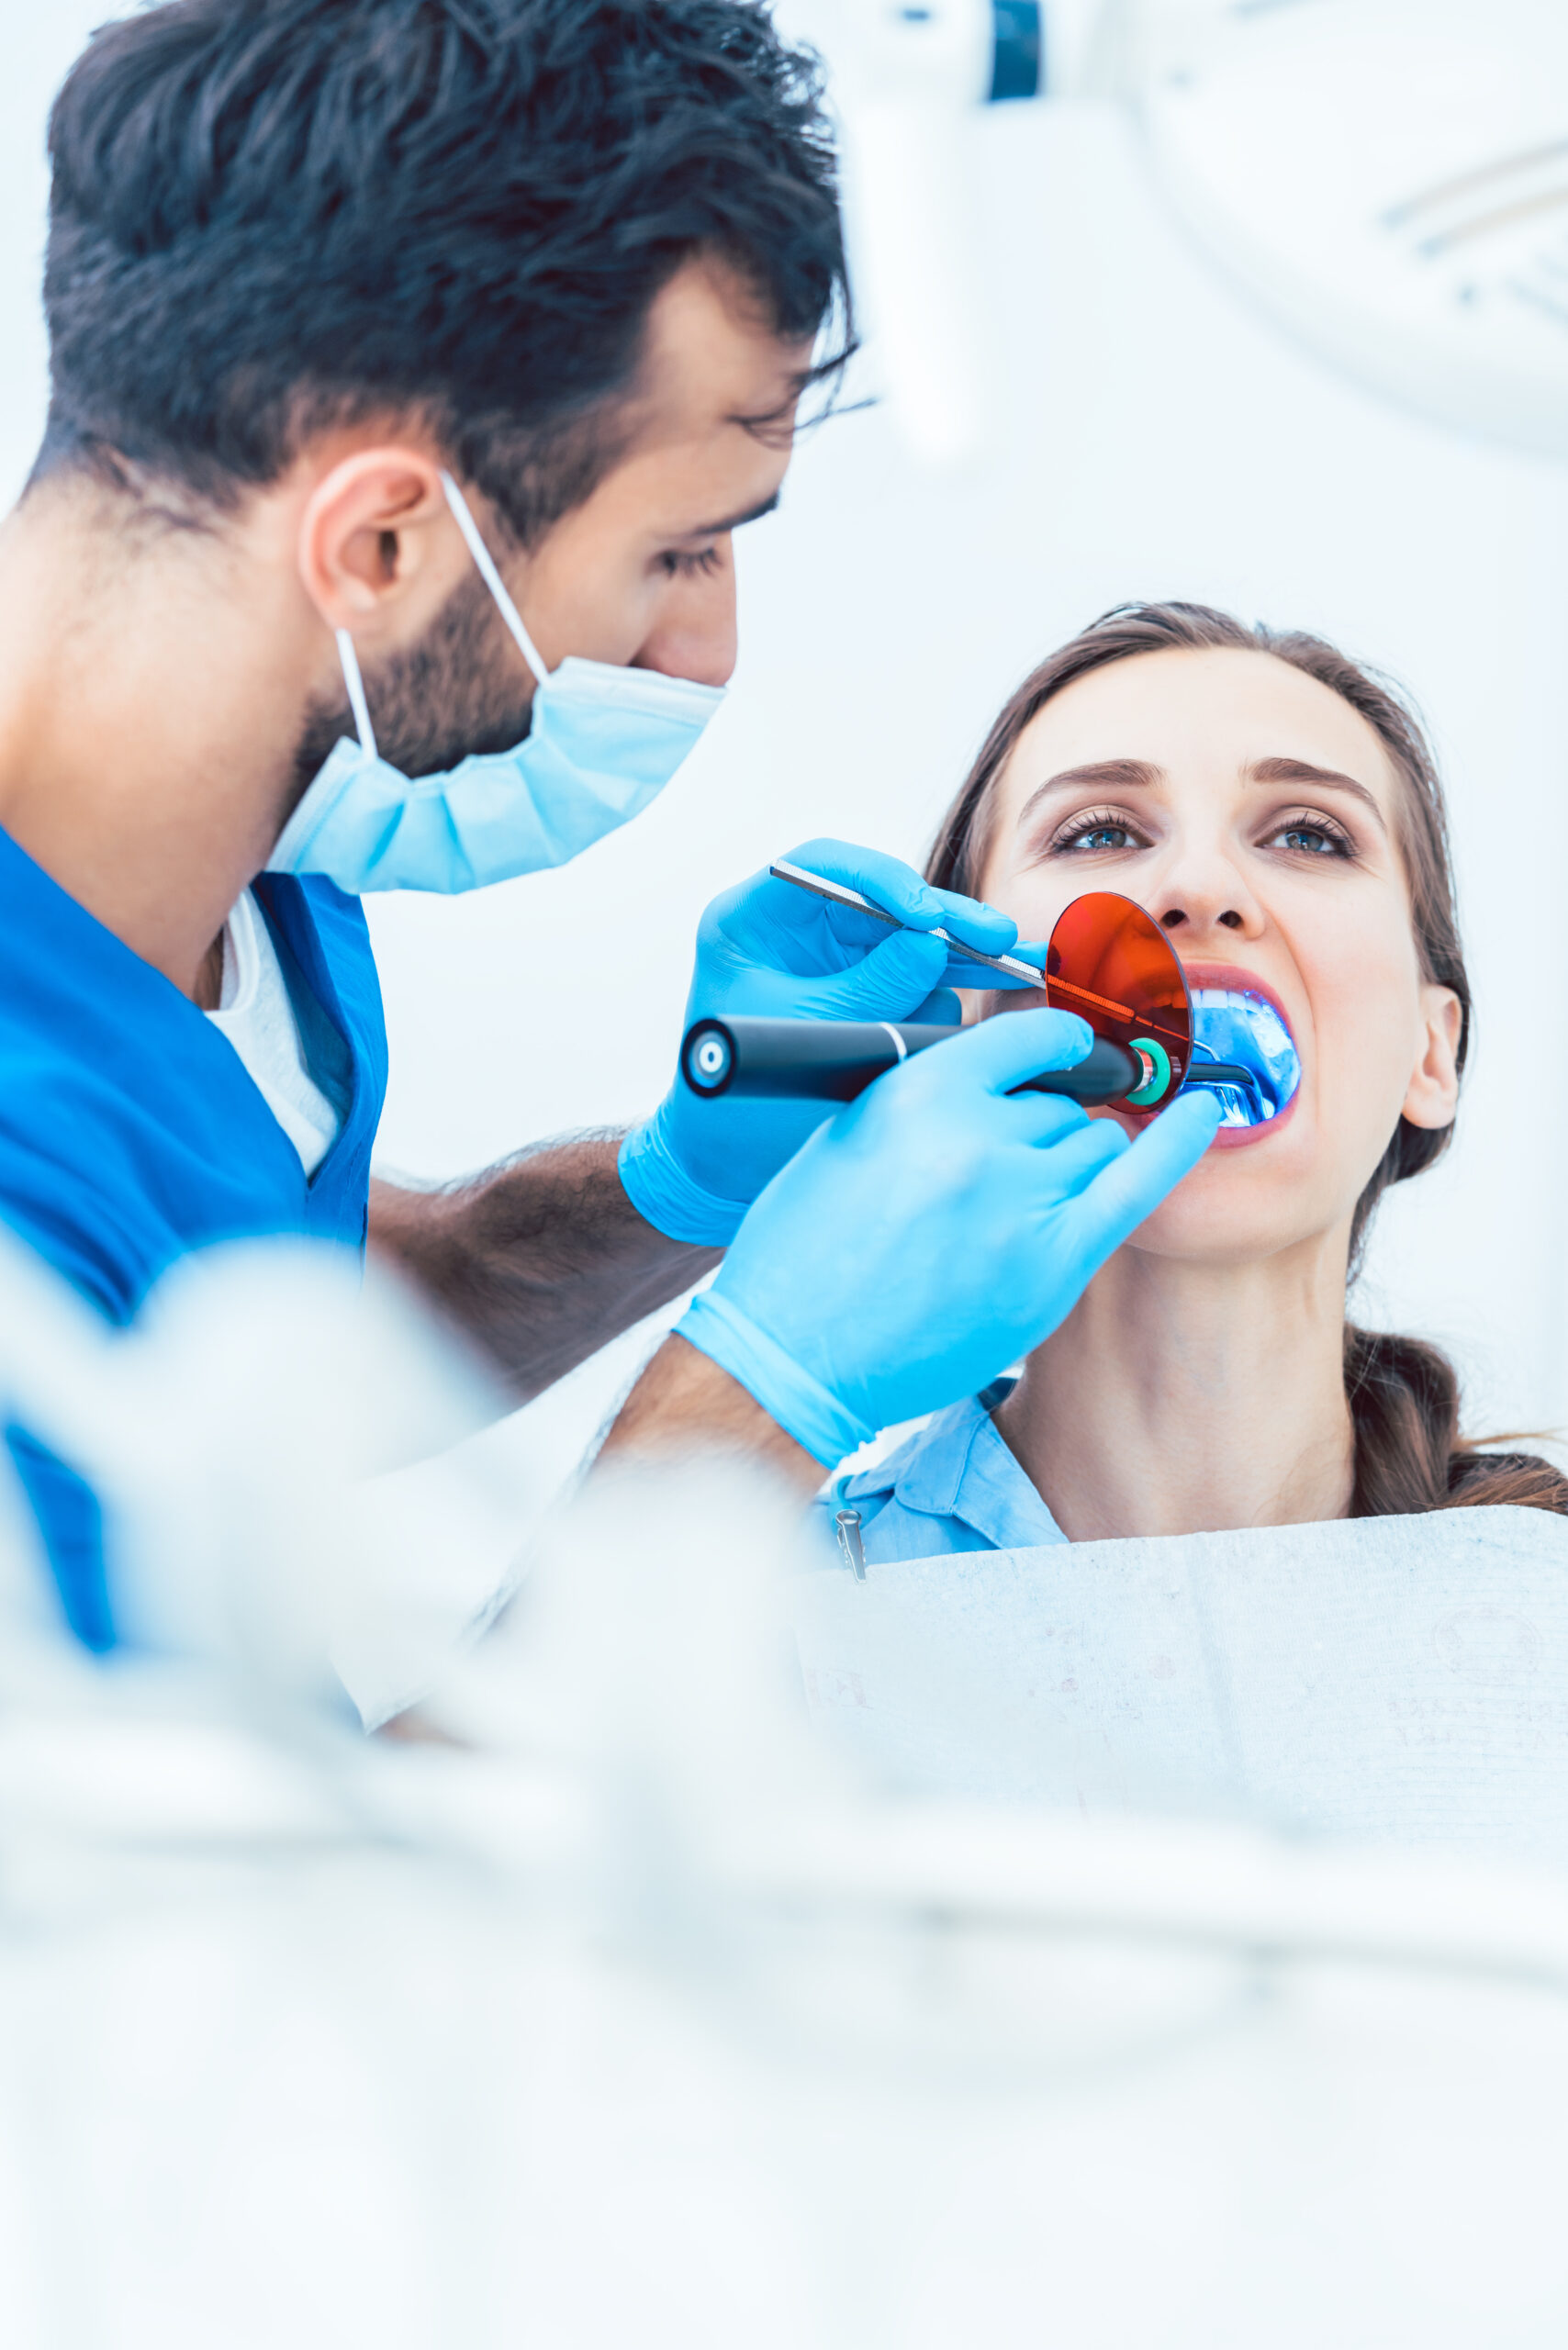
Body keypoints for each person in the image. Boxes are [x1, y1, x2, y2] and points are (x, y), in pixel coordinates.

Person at [0, 2, 1219, 1650]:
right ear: (377, 551)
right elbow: (277, 1899)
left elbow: (293, 1325)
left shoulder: (258, 876)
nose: (703, 653)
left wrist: (679, 1181)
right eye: (679, 551)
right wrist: (758, 1392)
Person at [827, 601, 1568, 1563]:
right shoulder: (765, 1598)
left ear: (1430, 1055)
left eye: (1310, 835)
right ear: (966, 1015)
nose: (1201, 886)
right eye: (1097, 832)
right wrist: (761, 1386)